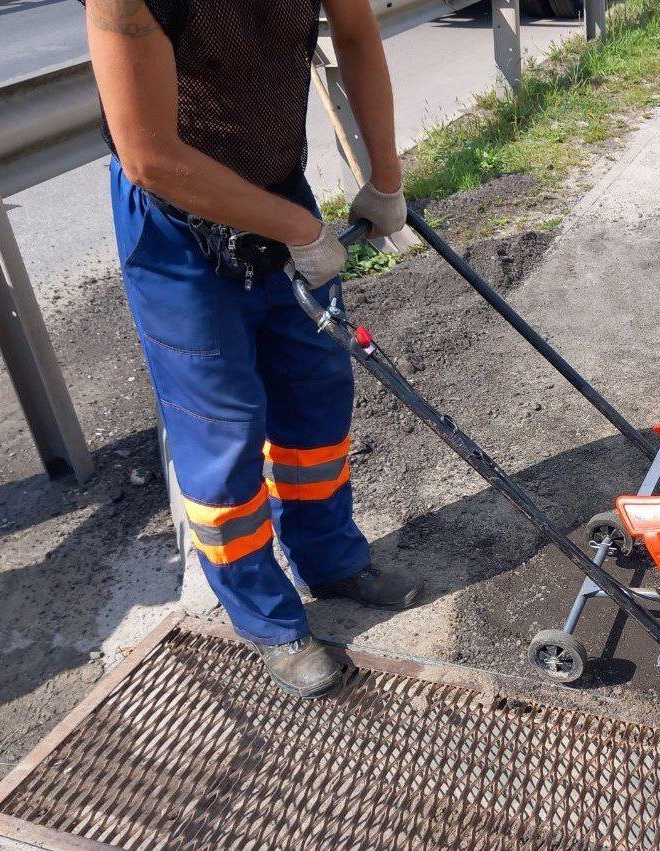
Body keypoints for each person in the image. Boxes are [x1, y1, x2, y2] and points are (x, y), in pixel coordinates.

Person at [81, 0, 422, 698]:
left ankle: (329, 558)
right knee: (223, 431)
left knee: (316, 393)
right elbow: (149, 154)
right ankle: (267, 617)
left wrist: (385, 177)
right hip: (174, 225)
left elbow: (354, 33)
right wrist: (297, 225)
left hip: (273, 180)